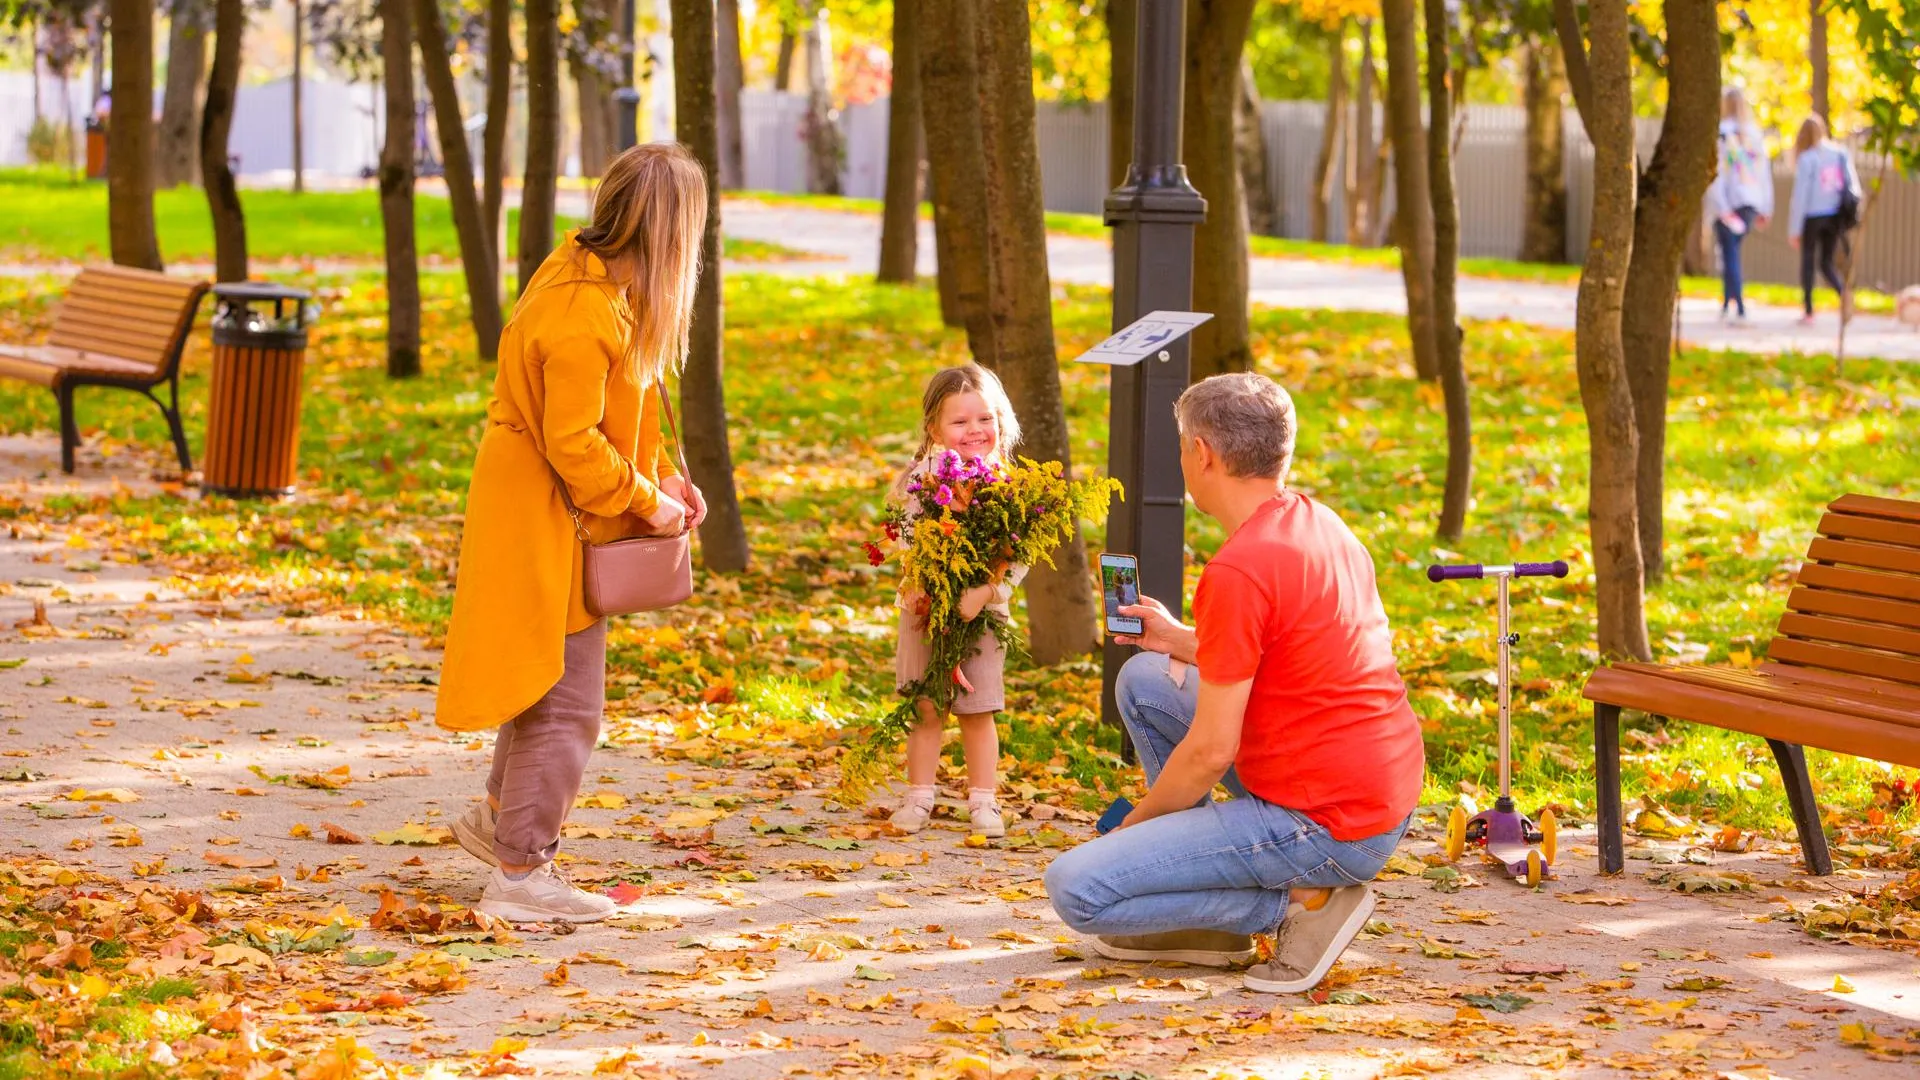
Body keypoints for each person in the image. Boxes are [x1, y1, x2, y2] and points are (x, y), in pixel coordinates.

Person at [1045, 373, 1424, 994]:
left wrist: (1137, 826)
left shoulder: (1238, 570)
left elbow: (1211, 752)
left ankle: (1300, 907)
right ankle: (1206, 922)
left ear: (1202, 454)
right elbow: (1296, 656)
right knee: (1147, 679)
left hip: (1326, 823)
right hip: (1375, 789)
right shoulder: (1319, 523)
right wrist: (1178, 640)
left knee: (1078, 889)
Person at [435, 144, 709, 923]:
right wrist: (648, 503)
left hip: (535, 502)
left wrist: (663, 480)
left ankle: (500, 826)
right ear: (669, 233)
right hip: (541, 511)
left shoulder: (584, 277)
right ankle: (522, 876)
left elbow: (618, 412)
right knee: (568, 700)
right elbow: (576, 444)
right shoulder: (585, 313)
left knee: (538, 675)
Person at [887, 364, 1027, 840]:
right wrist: (933, 589)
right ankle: (919, 796)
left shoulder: (1010, 487)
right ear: (934, 429)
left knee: (978, 708)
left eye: (984, 420)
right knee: (927, 706)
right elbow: (911, 542)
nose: (974, 431)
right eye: (960, 422)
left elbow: (1018, 556)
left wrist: (984, 593)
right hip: (924, 607)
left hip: (983, 613)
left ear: (1000, 423)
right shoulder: (922, 483)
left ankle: (983, 801)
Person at [1704, 88, 1772, 325]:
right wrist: (1765, 206)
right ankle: (1726, 303)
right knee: (1729, 251)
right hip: (1750, 202)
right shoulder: (1754, 134)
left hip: (1729, 201)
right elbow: (1764, 174)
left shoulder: (1721, 134)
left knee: (1729, 253)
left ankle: (1740, 307)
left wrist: (1721, 206)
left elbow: (1717, 173)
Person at [1788, 114, 1862, 326]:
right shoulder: (1839, 153)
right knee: (1826, 262)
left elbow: (1800, 196)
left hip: (1813, 216)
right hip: (1834, 216)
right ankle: (1842, 294)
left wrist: (1794, 230)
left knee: (1809, 262)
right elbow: (1852, 185)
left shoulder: (1807, 158)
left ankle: (1809, 310)